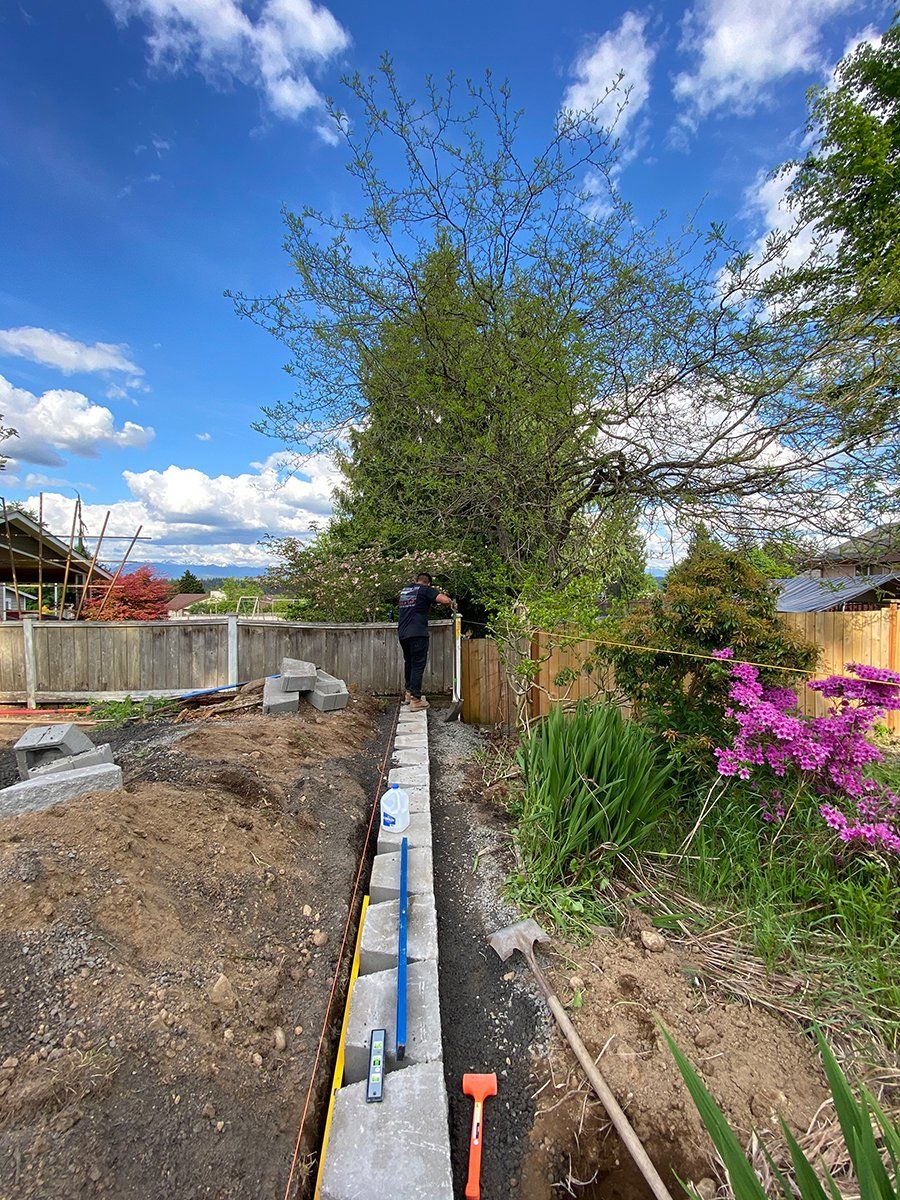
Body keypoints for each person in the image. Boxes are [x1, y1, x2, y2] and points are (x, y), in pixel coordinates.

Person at [397, 572, 453, 711]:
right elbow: (445, 600)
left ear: (415, 580)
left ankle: (409, 694)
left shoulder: (405, 591)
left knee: (409, 662)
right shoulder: (426, 590)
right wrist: (451, 602)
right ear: (428, 583)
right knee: (417, 665)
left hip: (403, 633)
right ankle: (416, 700)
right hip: (417, 633)